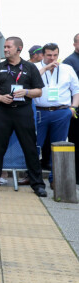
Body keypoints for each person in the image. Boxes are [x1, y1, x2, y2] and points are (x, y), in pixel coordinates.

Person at [0, 37, 46, 197]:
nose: (5, 49)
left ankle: (37, 184)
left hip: (23, 111)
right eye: (4, 47)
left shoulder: (30, 68)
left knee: (30, 148)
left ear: (19, 49)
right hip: (3, 112)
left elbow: (38, 91)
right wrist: (0, 98)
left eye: (8, 47)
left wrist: (26, 92)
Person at [34, 42, 79, 187]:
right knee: (36, 146)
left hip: (61, 111)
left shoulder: (67, 68)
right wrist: (45, 68)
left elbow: (76, 90)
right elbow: (29, 83)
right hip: (40, 111)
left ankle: (56, 179)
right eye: (49, 55)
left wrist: (73, 108)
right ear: (42, 55)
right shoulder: (35, 67)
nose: (52, 58)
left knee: (58, 145)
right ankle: (34, 177)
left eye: (55, 55)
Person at [63, 33, 79, 184]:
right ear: (74, 44)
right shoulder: (70, 62)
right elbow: (71, 88)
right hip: (76, 110)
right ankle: (76, 177)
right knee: (76, 141)